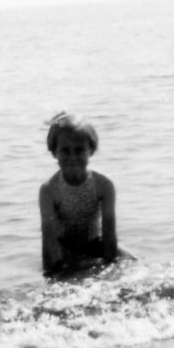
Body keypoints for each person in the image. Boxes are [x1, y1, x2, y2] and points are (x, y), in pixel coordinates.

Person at [39, 112, 120, 276]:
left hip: (94, 244)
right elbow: (49, 239)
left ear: (91, 150)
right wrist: (51, 274)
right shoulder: (49, 190)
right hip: (64, 249)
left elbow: (109, 234)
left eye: (79, 150)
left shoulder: (104, 185)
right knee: (65, 272)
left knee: (132, 262)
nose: (72, 157)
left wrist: (111, 270)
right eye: (65, 151)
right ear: (54, 152)